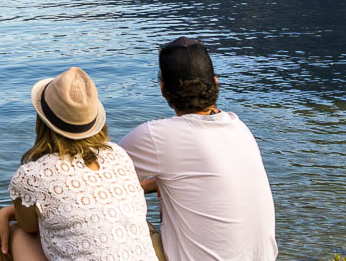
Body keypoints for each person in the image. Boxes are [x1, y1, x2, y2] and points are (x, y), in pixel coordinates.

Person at [119, 37, 278, 261]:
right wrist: (146, 186)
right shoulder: (238, 127)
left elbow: (93, 175)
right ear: (215, 83)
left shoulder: (156, 136)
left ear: (163, 89)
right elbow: (200, 175)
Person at [0, 67, 159, 261]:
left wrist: (3, 214)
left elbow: (29, 226)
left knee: (18, 233)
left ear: (42, 121)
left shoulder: (32, 176)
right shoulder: (117, 154)